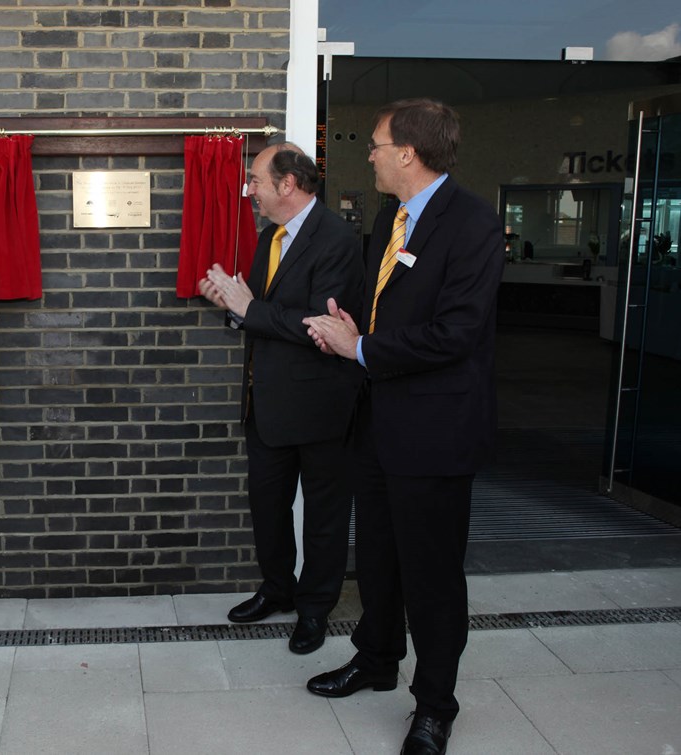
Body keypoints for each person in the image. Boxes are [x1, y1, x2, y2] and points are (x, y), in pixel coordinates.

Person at [303, 99, 504, 755]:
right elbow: (385, 304)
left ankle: (434, 706)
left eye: (377, 143)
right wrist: (347, 321)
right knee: (381, 562)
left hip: (435, 431)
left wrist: (359, 348)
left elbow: (457, 332)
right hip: (378, 422)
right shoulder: (393, 216)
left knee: (432, 576)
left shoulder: (471, 223)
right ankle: (376, 657)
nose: (369, 152)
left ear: (408, 154)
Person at [198, 143, 364, 655]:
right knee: (266, 508)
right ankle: (277, 589)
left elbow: (323, 325)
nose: (250, 191)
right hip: (266, 405)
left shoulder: (337, 238)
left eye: (256, 180)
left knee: (323, 517)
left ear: (287, 184)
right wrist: (233, 306)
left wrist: (251, 308)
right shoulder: (270, 237)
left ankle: (315, 609)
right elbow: (263, 314)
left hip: (321, 408)